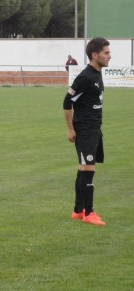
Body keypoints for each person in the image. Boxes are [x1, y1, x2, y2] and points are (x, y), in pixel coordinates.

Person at [63, 37, 111, 226]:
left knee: (83, 168)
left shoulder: (97, 73)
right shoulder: (85, 77)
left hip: (94, 128)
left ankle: (77, 210)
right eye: (106, 53)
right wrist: (70, 129)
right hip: (85, 129)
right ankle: (89, 213)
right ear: (94, 55)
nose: (109, 56)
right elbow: (67, 102)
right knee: (88, 168)